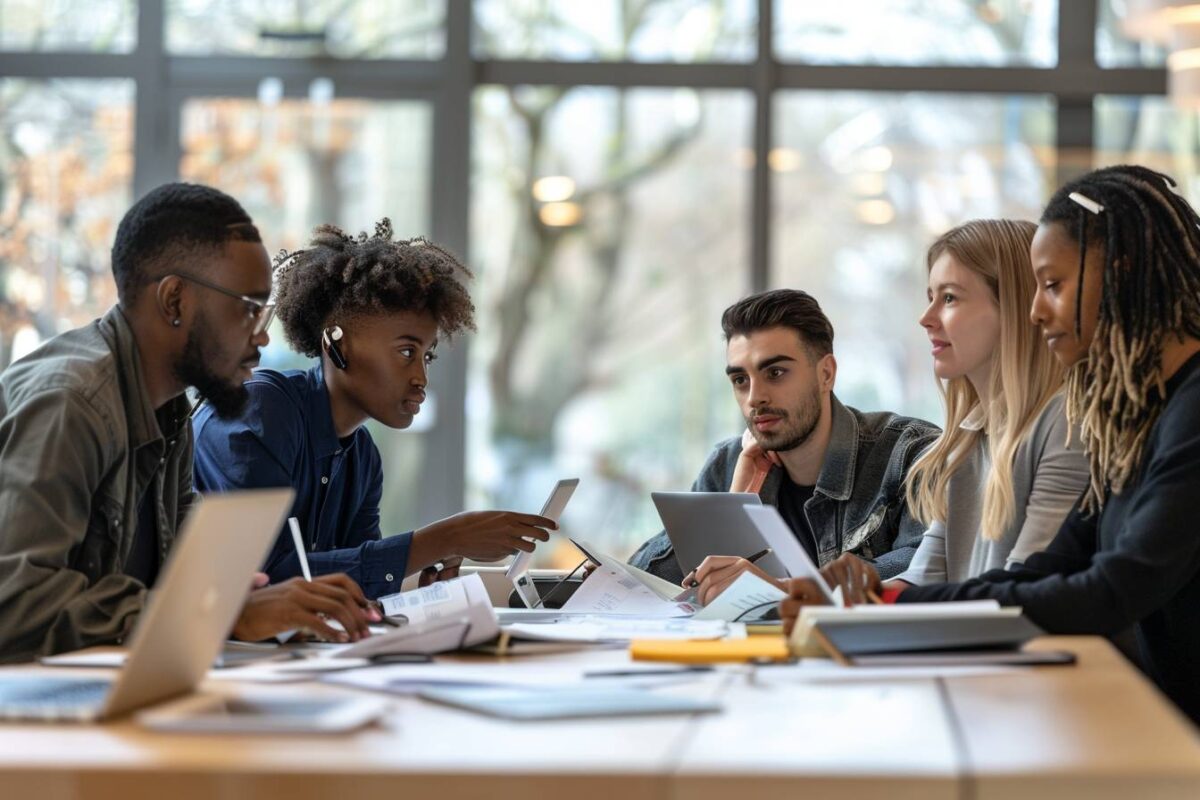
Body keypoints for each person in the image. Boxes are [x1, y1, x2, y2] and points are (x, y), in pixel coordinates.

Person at [781, 165, 1200, 726]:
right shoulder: (1135, 421)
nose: (1036, 310)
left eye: (1052, 286)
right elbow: (1044, 571)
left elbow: (1112, 589)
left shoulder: (1184, 412)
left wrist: (882, 604)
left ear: (1122, 274)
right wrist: (877, 601)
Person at [0, 183, 379, 664]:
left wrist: (243, 599)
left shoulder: (171, 410)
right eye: (248, 309)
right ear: (175, 300)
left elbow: (184, 582)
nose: (262, 337)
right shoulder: (72, 403)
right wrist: (220, 614)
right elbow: (12, 606)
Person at [193, 220, 557, 600]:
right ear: (337, 344)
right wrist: (445, 538)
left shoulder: (362, 458)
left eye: (427, 357)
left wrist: (414, 581)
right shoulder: (259, 413)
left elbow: (351, 585)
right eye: (406, 352)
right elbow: (264, 580)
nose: (421, 377)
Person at [629, 288, 940, 600]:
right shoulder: (728, 463)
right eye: (740, 380)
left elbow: (928, 566)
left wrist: (785, 590)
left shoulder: (908, 453)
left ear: (826, 374)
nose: (754, 397)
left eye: (775, 373)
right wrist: (731, 507)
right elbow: (643, 583)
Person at [889, 219, 1088, 588]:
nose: (926, 319)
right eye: (930, 297)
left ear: (1014, 307)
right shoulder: (968, 436)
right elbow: (922, 581)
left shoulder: (1067, 421)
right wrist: (823, 599)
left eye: (949, 298)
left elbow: (1021, 590)